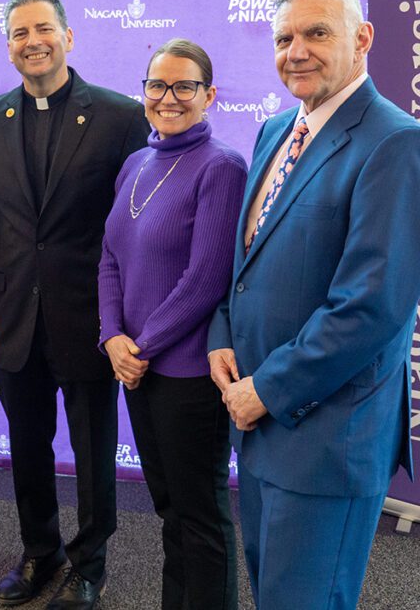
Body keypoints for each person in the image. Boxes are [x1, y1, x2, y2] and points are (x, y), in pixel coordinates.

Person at [208, 0, 420, 609]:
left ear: (363, 39)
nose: (295, 51)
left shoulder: (396, 142)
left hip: (326, 435)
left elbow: (372, 307)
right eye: (283, 38)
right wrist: (222, 335)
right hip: (260, 427)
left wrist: (266, 391)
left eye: (316, 33)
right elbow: (246, 260)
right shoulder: (277, 129)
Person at [0, 0, 149, 610]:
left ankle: (89, 563)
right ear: (9, 46)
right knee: (26, 443)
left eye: (43, 29)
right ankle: (39, 552)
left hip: (90, 319)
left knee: (94, 450)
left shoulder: (122, 116)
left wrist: (120, 318)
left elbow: (131, 228)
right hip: (14, 319)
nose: (32, 42)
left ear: (68, 37)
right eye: (19, 33)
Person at [97, 39, 246, 610]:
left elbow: (206, 279)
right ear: (144, 94)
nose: (169, 98)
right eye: (158, 85)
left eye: (185, 86)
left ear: (208, 95)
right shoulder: (136, 162)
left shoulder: (223, 167)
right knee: (169, 511)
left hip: (185, 373)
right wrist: (112, 338)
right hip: (137, 368)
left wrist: (141, 347)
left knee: (200, 516)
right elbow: (110, 257)